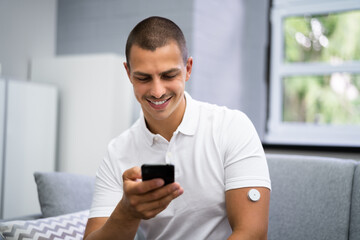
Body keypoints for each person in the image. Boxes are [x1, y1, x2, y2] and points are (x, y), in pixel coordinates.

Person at [84, 16, 271, 240]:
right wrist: (126, 212)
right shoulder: (118, 152)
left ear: (188, 68)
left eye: (168, 75)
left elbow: (253, 233)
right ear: (128, 74)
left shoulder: (232, 128)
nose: (157, 91)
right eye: (143, 78)